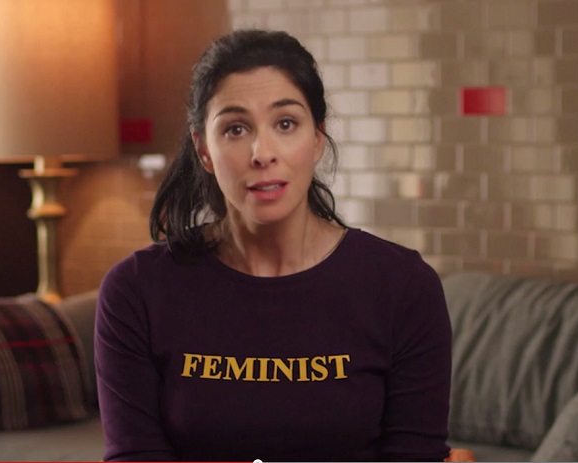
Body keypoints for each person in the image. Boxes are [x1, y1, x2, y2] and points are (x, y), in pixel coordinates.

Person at [95, 29, 452, 462]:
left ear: (317, 138)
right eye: (235, 128)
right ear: (203, 149)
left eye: (285, 124)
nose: (262, 153)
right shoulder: (136, 292)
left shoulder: (404, 287)